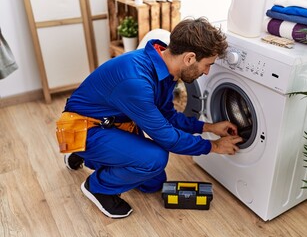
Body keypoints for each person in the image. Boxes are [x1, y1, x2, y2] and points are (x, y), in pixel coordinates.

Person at [56, 17, 243, 219]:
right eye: (207, 65)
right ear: (189, 58)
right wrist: (214, 147)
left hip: (112, 123)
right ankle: (97, 187)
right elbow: (168, 138)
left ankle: (86, 155)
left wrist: (209, 127)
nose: (206, 72)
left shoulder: (165, 69)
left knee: (154, 182)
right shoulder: (137, 80)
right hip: (81, 127)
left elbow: (168, 116)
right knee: (154, 159)